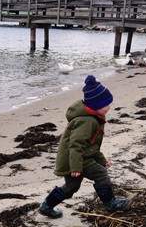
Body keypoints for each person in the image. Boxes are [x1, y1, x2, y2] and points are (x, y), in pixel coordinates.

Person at [39, 74, 131, 218]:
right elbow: (76, 145)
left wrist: (102, 160)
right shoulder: (87, 121)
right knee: (101, 175)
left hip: (79, 157)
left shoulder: (94, 118)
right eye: (106, 105)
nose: (109, 107)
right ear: (96, 106)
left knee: (71, 187)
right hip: (75, 159)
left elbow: (92, 145)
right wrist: (75, 167)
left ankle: (46, 206)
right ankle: (110, 204)